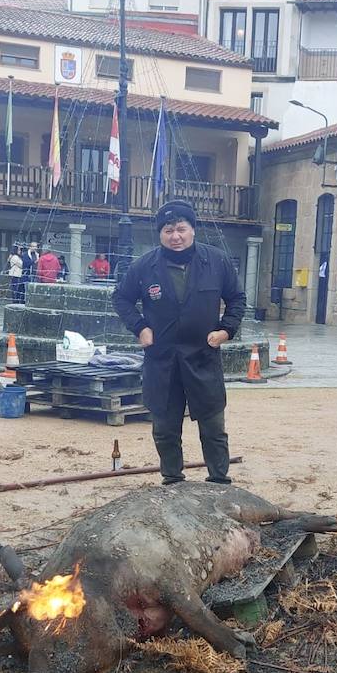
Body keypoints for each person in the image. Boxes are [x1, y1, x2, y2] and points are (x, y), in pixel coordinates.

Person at [112, 200, 244, 485]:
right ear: (160, 234)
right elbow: (121, 298)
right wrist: (140, 327)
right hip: (163, 359)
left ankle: (219, 480)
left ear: (193, 230)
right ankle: (172, 480)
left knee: (213, 426)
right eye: (168, 230)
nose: (175, 236)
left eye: (181, 229)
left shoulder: (217, 261)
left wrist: (226, 330)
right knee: (165, 428)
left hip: (203, 356)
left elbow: (237, 298)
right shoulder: (144, 266)